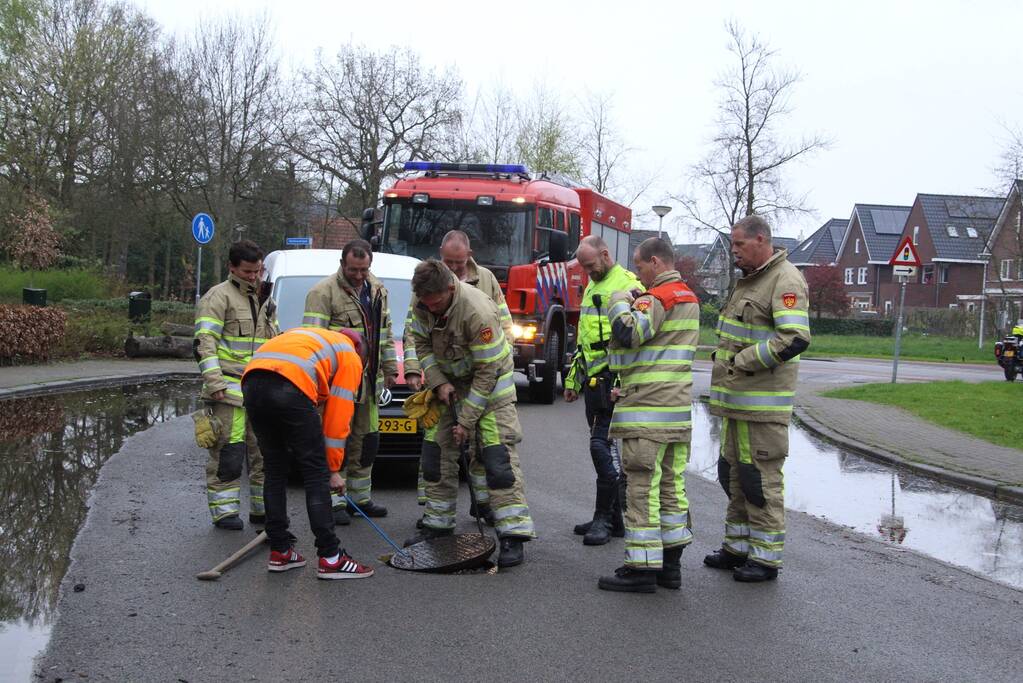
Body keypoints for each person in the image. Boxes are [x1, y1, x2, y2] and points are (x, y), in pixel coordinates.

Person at [404, 259, 536, 568]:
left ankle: (513, 535)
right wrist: (438, 383)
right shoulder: (423, 301)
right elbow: (421, 346)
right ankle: (437, 526)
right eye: (426, 303)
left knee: (497, 459)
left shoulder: (477, 311)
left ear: (450, 289)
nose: (431, 309)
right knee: (435, 454)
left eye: (436, 304)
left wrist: (466, 421)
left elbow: (487, 374)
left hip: (490, 390)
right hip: (450, 385)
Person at [705, 215, 811, 582]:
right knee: (734, 476)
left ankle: (765, 560)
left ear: (761, 240)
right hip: (738, 403)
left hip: (761, 407)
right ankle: (737, 549)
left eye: (738, 245)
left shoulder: (785, 279)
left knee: (759, 480)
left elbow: (794, 338)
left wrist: (741, 360)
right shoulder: (750, 280)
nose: (733, 252)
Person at [596, 238, 700, 593]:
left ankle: (640, 569)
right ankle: (671, 568)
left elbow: (629, 332)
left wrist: (618, 300)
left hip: (647, 414)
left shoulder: (656, 299)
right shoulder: (688, 298)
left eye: (639, 267)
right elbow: (654, 351)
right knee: (672, 489)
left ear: (654, 262)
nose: (638, 275)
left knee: (641, 489)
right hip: (676, 414)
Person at [242, 327, 374, 579]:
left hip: (252, 382)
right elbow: (337, 421)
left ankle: (280, 551)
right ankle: (331, 558)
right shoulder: (350, 356)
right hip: (290, 384)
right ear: (362, 354)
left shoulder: (314, 340)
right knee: (316, 473)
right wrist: (333, 470)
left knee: (275, 469)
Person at [404, 230, 512, 521]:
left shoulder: (484, 284)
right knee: (437, 449)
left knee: (487, 450)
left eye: (458, 263)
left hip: (483, 379)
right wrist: (432, 378)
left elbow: (503, 326)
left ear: (469, 256)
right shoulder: (425, 289)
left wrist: (501, 356)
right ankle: (436, 516)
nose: (452, 269)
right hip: (447, 381)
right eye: (448, 262)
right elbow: (417, 337)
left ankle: (485, 506)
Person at [303, 239, 398, 523]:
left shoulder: (378, 289)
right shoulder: (322, 293)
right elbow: (312, 343)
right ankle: (334, 502)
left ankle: (360, 499)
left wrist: (391, 367)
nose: (358, 275)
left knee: (366, 441)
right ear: (342, 264)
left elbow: (385, 331)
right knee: (336, 442)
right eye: (353, 269)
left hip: (369, 381)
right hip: (338, 385)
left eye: (364, 270)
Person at [564, 235, 643, 546]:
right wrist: (573, 380)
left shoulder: (629, 283)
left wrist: (624, 381)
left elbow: (638, 338)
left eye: (591, 265)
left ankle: (604, 520)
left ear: (606, 254)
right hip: (594, 382)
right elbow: (585, 342)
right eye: (583, 267)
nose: (587, 272)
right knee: (603, 448)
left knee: (601, 448)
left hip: (614, 381)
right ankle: (614, 519)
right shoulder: (592, 286)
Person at [193, 239, 271, 530]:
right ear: (232, 268)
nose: (253, 277)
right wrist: (214, 382)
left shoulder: (263, 299)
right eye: (248, 272)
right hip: (227, 391)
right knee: (229, 453)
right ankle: (224, 513)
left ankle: (263, 510)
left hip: (259, 390)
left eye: (257, 271)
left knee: (264, 454)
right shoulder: (218, 297)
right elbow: (204, 343)